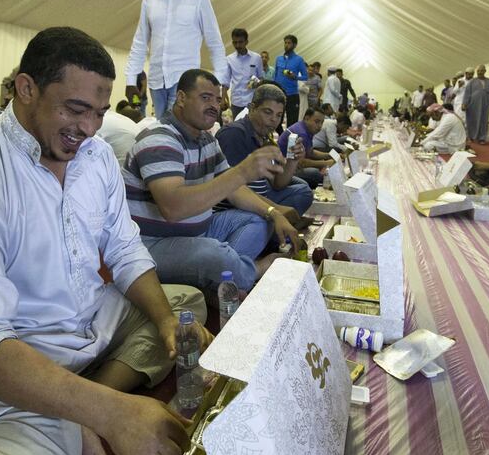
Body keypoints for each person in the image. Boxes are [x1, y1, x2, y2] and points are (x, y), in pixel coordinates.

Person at [0, 27, 211, 455]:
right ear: (26, 89)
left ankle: (77, 401)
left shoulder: (97, 157)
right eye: (75, 109)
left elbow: (124, 249)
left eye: (100, 113)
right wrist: (114, 414)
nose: (88, 128)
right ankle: (65, 417)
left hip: (85, 319)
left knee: (183, 308)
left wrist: (164, 326)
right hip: (8, 348)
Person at [123, 69, 297, 297]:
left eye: (217, 99)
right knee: (213, 254)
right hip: (154, 243)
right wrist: (242, 171)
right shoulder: (160, 138)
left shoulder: (205, 139)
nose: (215, 105)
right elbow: (173, 208)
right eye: (205, 98)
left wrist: (274, 213)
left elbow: (235, 191)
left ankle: (219, 278)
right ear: (182, 98)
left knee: (260, 220)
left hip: (200, 233)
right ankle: (252, 270)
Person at [125, 0, 225, 119]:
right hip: (157, 81)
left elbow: (214, 42)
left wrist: (221, 84)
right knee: (162, 127)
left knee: (178, 130)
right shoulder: (149, 0)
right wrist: (130, 80)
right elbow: (140, 42)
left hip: (185, 82)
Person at [216, 84, 313, 218]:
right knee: (256, 223)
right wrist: (273, 210)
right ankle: (271, 227)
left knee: (303, 190)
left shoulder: (266, 136)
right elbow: (233, 190)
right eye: (268, 112)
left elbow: (277, 184)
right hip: (236, 208)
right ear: (252, 108)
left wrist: (293, 160)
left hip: (260, 198)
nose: (274, 120)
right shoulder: (235, 134)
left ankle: (272, 226)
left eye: (279, 115)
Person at [278, 107, 337, 189]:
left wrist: (329, 155)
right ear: (307, 118)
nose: (320, 126)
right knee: (315, 174)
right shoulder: (302, 133)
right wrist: (326, 163)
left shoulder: (304, 128)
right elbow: (301, 163)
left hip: (289, 165)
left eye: (321, 123)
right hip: (284, 170)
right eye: (317, 122)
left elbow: (310, 152)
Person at [221, 28, 263, 118]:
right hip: (236, 102)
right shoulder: (229, 59)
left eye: (240, 42)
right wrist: (222, 99)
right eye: (235, 42)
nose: (238, 45)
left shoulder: (256, 58)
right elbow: (225, 82)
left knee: (252, 128)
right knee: (237, 128)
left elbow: (261, 78)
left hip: (252, 102)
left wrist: (257, 83)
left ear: (246, 42)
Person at [272, 34, 307, 126]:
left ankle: (289, 139)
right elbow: (275, 76)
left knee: (292, 122)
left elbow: (305, 76)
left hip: (292, 95)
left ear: (295, 45)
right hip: (279, 95)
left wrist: (295, 77)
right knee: (276, 121)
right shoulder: (278, 59)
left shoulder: (299, 60)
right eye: (285, 43)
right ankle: (280, 138)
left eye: (289, 43)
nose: (286, 45)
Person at [462, 64, 489, 143]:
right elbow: (467, 94)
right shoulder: (472, 82)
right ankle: (471, 137)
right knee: (472, 121)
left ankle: (482, 138)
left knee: (484, 121)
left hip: (485, 105)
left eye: (481, 71)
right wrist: (464, 104)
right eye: (478, 71)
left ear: (485, 71)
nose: (479, 72)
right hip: (473, 105)